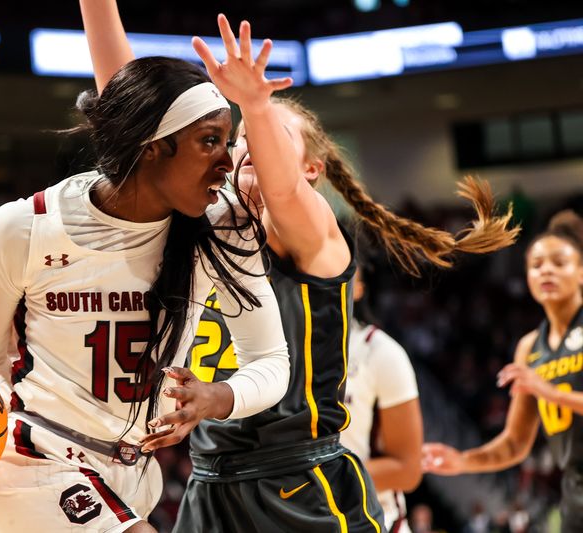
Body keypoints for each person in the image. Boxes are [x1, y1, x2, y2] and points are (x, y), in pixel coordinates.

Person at [0, 18, 297, 533]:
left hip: (134, 471)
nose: (227, 162)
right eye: (210, 141)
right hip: (35, 464)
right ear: (153, 146)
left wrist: (219, 397)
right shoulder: (26, 226)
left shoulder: (221, 227)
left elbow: (270, 362)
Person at [81, 4, 519, 532]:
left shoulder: (315, 235)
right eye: (236, 140)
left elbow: (282, 188)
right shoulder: (206, 229)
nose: (245, 149)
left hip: (301, 480)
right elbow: (131, 124)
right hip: (209, 483)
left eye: (267, 140)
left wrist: (256, 105)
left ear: (312, 168)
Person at [422, 210, 583, 533]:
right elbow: (514, 444)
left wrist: (545, 390)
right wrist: (464, 460)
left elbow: (545, 392)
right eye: (536, 265)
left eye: (559, 263)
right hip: (575, 492)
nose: (546, 270)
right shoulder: (529, 348)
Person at [342, 263, 423, 532]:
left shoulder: (380, 352)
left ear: (359, 288)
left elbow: (408, 469)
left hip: (373, 519)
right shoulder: (280, 348)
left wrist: (318, 480)